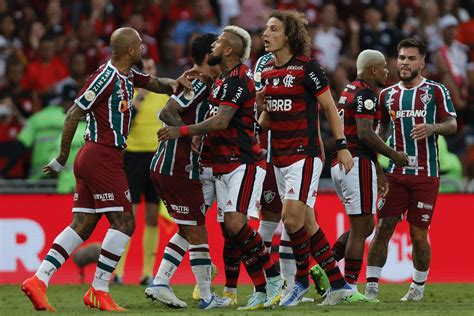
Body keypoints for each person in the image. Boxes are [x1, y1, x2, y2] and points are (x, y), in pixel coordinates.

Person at [21, 27, 193, 312]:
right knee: (125, 223)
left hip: (98, 155)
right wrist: (62, 156)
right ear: (129, 50)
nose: (143, 49)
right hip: (102, 154)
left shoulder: (128, 74)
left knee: (83, 225)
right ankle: (99, 289)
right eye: (139, 46)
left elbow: (157, 83)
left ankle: (39, 280)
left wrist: (177, 82)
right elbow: (74, 113)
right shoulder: (106, 77)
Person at [158, 25, 283, 310]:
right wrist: (194, 76)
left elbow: (221, 121)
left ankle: (274, 279)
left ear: (228, 50)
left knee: (236, 224)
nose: (212, 47)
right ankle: (262, 290)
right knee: (233, 230)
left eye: (217, 43)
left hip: (244, 162)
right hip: (222, 164)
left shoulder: (238, 80)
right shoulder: (223, 79)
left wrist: (183, 131)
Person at [257, 10, 353, 307]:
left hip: (305, 155)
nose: (266, 34)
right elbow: (266, 118)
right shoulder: (268, 72)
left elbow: (329, 108)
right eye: (266, 29)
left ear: (288, 35)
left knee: (290, 218)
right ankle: (338, 284)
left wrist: (342, 146)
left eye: (273, 29)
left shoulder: (307, 68)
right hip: (280, 158)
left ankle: (299, 282)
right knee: (308, 225)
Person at [365, 38, 457, 302]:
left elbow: (451, 123)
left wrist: (432, 128)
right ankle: (371, 287)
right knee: (383, 227)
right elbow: (379, 134)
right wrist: (380, 170)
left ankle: (417, 288)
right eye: (402, 57)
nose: (404, 63)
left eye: (411, 58)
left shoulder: (436, 91)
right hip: (395, 173)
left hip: (426, 175)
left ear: (422, 62)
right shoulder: (387, 95)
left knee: (418, 234)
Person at [144, 33, 230, 310]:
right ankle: (206, 297)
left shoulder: (204, 81)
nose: (222, 53)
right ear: (208, 56)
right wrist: (188, 133)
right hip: (176, 167)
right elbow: (167, 112)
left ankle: (160, 282)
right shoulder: (195, 82)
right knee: (197, 232)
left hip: (175, 167)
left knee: (188, 228)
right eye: (217, 49)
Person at [330, 49, 408, 301]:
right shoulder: (366, 94)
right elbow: (365, 134)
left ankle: (324, 268)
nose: (388, 70)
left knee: (366, 226)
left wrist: (380, 171)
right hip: (356, 163)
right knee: (361, 226)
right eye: (384, 66)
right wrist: (393, 155)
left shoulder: (348, 89)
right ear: (373, 70)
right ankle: (349, 288)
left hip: (343, 162)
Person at [113, 57, 168, 285]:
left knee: (152, 216)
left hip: (156, 157)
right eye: (145, 69)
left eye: (151, 68)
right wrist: (140, 97)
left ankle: (147, 272)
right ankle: (119, 271)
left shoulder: (164, 95)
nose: (148, 71)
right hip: (133, 157)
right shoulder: (128, 93)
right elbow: (124, 121)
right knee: (129, 216)